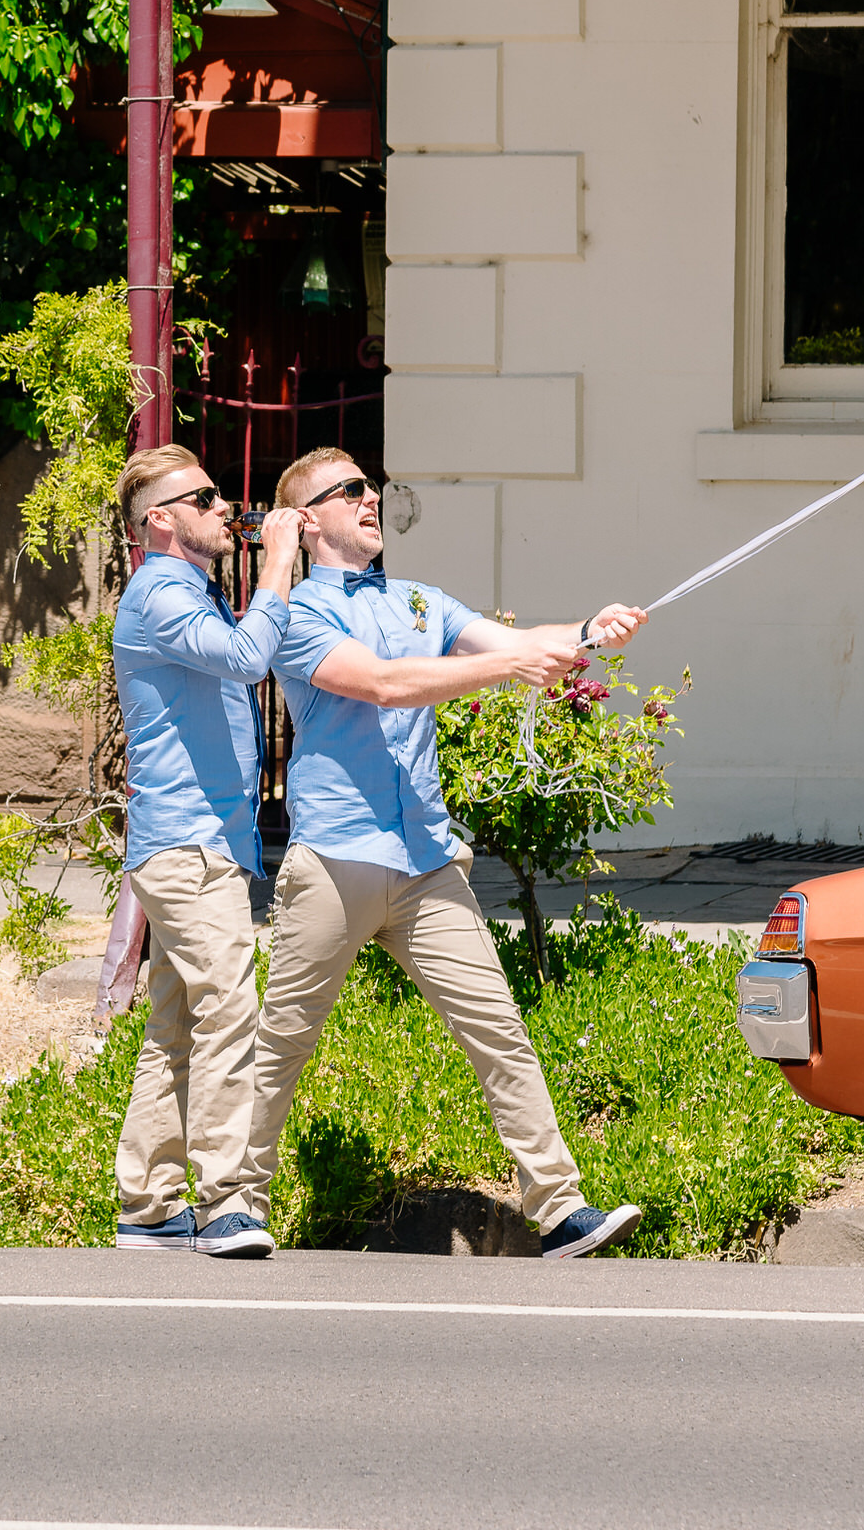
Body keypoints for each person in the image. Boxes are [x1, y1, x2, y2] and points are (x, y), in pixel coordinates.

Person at [224, 448, 652, 1259]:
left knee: (497, 1029)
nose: (370, 498)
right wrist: (510, 663)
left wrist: (591, 631)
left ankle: (559, 1208)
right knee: (284, 1040)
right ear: (308, 521)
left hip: (424, 860)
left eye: (372, 487)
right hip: (336, 859)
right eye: (349, 491)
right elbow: (386, 683)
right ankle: (238, 1203)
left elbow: (527, 643)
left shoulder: (421, 601)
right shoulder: (294, 615)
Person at [108, 444, 307, 1257]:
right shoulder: (160, 592)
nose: (226, 506)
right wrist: (280, 567)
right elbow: (244, 659)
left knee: (178, 1026)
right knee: (230, 1009)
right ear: (161, 520)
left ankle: (150, 1204)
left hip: (196, 843)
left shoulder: (185, 591)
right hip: (188, 846)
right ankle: (227, 1200)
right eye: (205, 497)